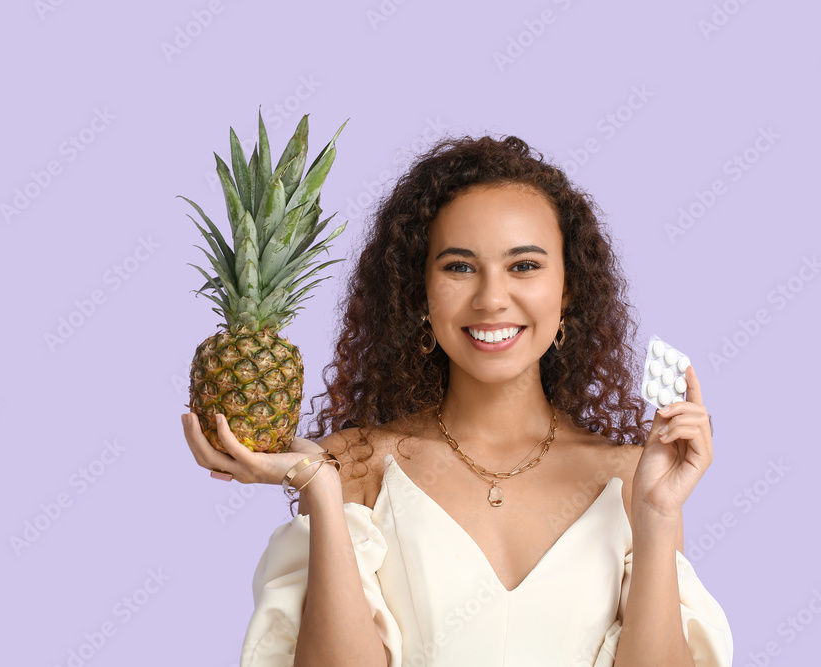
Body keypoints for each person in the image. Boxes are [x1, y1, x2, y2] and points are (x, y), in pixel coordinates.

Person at [182, 133, 734, 666]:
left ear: (568, 290)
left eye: (524, 265)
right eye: (459, 267)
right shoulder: (354, 467)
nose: (492, 298)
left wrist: (659, 515)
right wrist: (321, 492)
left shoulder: (636, 480)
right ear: (420, 292)